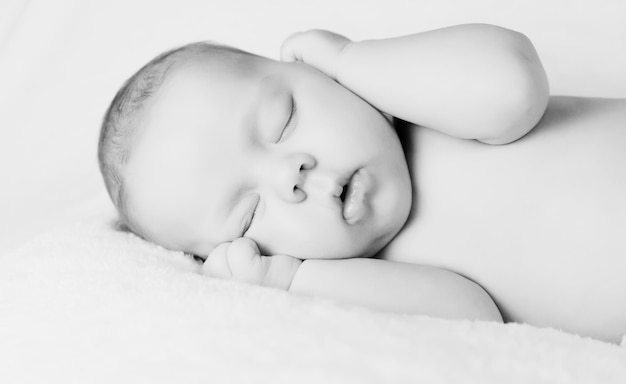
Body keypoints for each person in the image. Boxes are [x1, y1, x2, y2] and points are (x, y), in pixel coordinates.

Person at [98, 24, 626, 343]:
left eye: (283, 119)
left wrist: (350, 59)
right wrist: (285, 281)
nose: (290, 175)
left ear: (314, 74)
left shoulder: (426, 106)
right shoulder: (373, 274)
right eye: (250, 216)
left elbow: (514, 87)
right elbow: (473, 318)